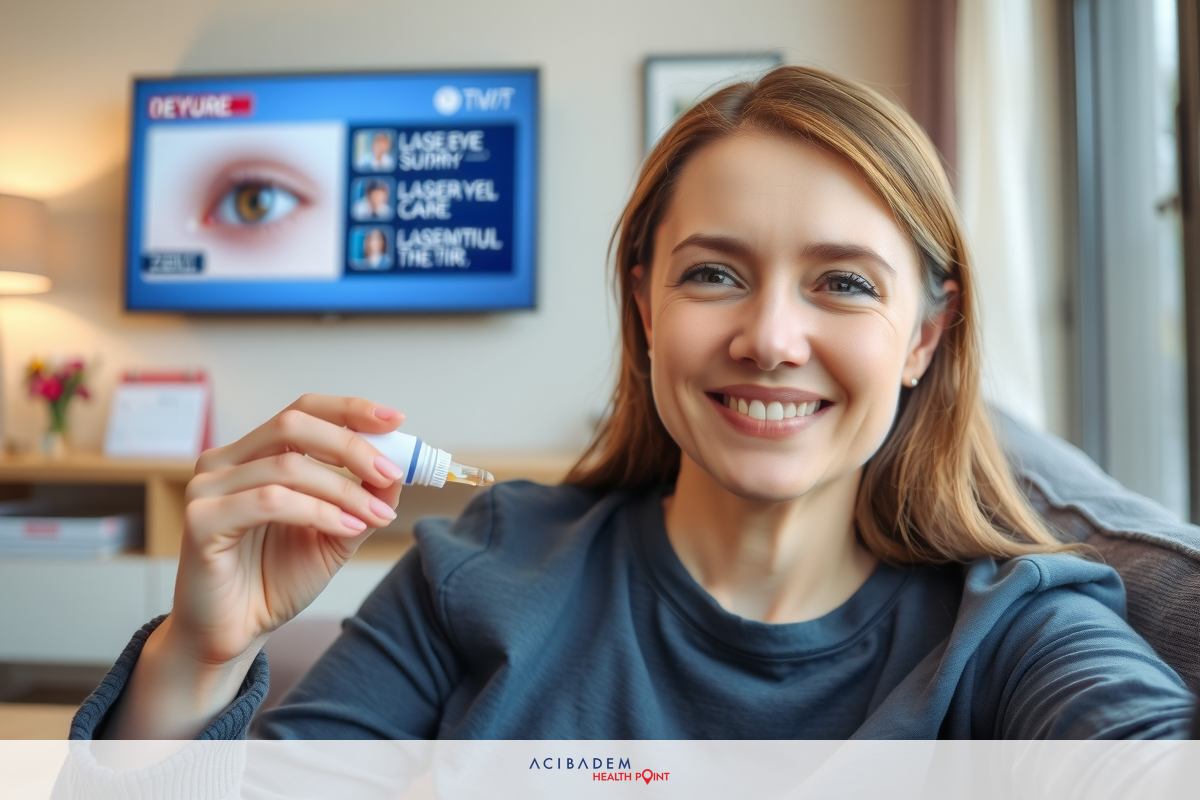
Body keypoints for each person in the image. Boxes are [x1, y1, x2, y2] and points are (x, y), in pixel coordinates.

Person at [74, 66, 1195, 741]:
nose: (769, 336)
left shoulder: (1020, 627)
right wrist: (196, 655)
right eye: (713, 272)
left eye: (844, 283)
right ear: (646, 303)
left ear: (926, 337)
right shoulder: (481, 566)